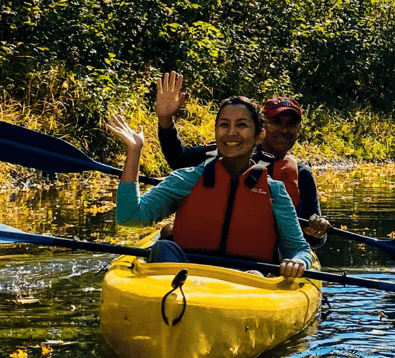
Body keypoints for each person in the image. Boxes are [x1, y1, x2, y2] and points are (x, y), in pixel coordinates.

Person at [107, 97, 313, 278]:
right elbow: (129, 216)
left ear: (260, 135)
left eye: (241, 125)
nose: (231, 133)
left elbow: (299, 249)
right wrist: (134, 152)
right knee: (163, 247)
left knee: (256, 274)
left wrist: (298, 262)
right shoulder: (188, 179)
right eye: (224, 125)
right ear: (216, 132)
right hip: (181, 279)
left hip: (248, 282)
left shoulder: (274, 191)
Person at [154, 71, 330, 246]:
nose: (284, 130)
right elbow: (178, 160)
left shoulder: (303, 175)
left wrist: (316, 232)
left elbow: (311, 240)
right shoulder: (225, 151)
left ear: (298, 130)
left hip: (264, 264)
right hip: (203, 250)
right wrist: (166, 120)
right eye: (276, 122)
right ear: (261, 126)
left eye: (291, 124)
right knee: (168, 232)